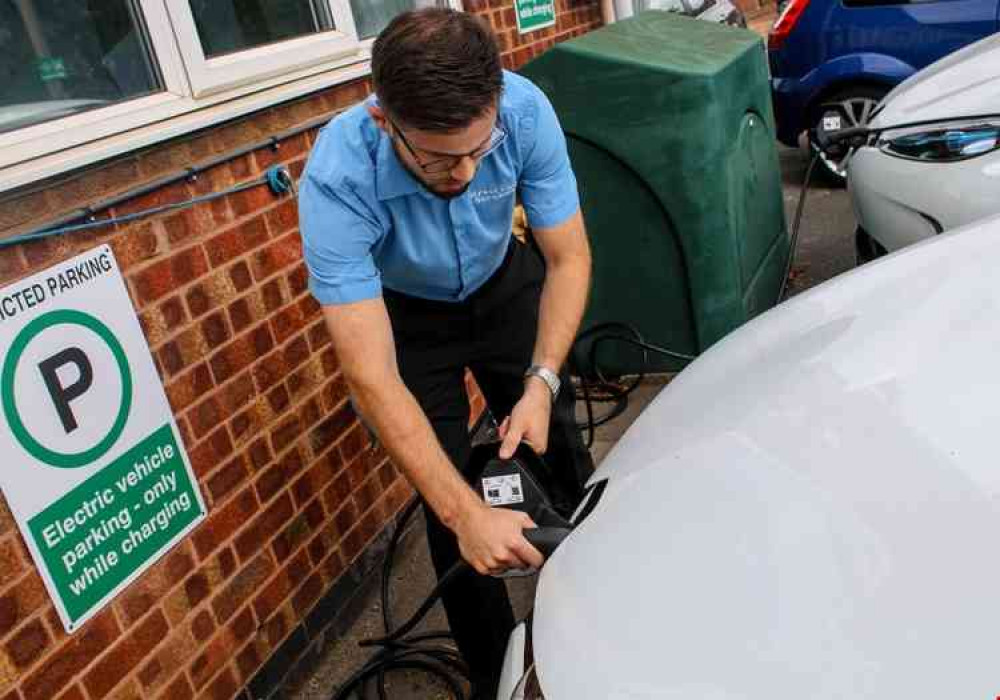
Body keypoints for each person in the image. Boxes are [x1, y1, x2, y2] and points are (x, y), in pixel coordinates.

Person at [298, 8, 594, 696]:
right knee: (449, 501)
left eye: (477, 150)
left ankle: (595, 603)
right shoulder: (338, 176)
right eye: (435, 157)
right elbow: (370, 376)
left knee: (559, 450)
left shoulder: (525, 112)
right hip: (410, 315)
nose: (461, 172)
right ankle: (499, 673)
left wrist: (543, 381)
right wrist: (468, 514)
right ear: (384, 121)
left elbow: (569, 257)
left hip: (502, 283)